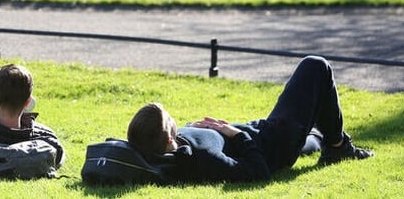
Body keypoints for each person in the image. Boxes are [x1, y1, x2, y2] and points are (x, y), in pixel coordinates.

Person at [127, 56, 374, 183]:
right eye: (170, 119)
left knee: (314, 135)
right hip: (275, 139)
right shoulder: (203, 157)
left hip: (264, 132)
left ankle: (324, 140)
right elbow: (258, 172)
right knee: (316, 66)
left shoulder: (152, 145)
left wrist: (218, 131)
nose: (174, 118)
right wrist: (235, 134)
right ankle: (339, 147)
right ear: (169, 137)